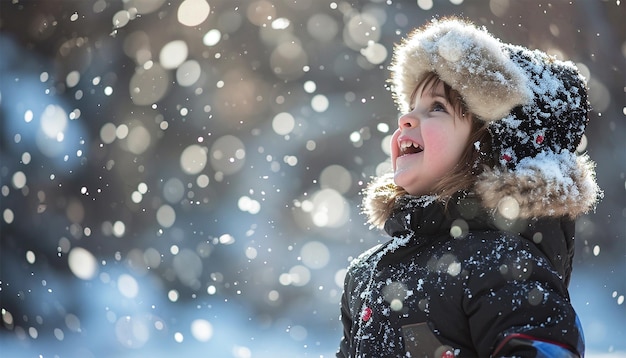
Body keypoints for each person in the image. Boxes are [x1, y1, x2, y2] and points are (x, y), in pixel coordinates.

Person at [337, 17, 601, 358]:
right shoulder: (366, 272)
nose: (406, 119)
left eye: (437, 108)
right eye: (410, 108)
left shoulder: (501, 265)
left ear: (486, 150)